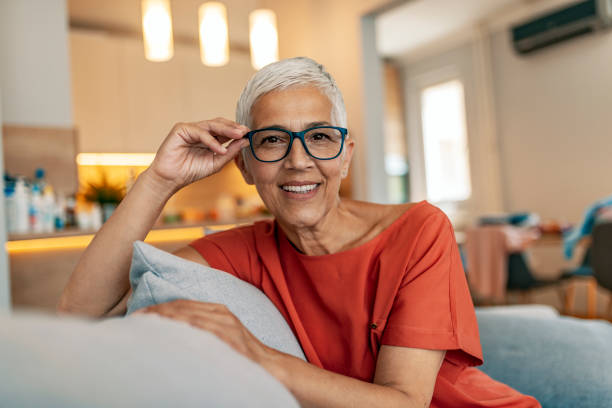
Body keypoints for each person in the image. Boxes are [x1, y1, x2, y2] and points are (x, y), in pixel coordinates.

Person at [58, 57, 539, 408]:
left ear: (345, 155)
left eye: (320, 137)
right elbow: (82, 312)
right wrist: (159, 180)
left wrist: (256, 355)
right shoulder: (246, 249)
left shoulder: (418, 231)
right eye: (272, 141)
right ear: (245, 164)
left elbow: (405, 402)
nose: (298, 161)